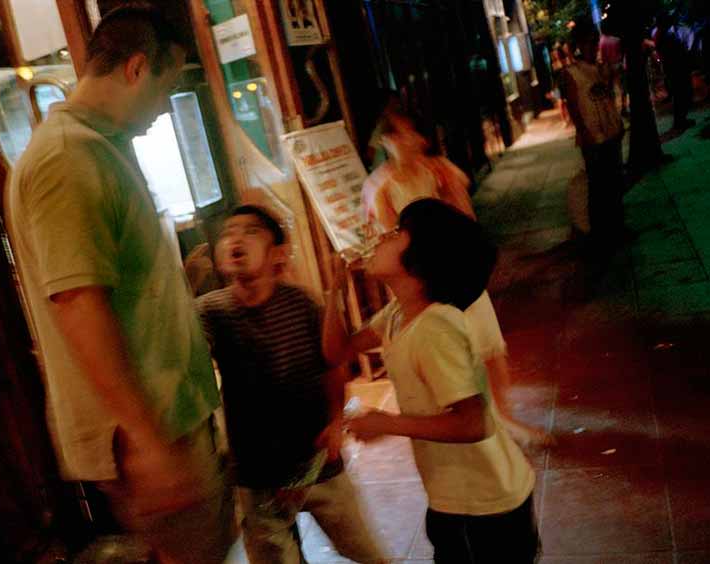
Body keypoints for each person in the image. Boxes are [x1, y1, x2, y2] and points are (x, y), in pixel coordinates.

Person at [4, 7, 233, 563]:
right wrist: (148, 441)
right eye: (167, 85)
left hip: (168, 420)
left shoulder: (100, 146)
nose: (164, 105)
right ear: (135, 69)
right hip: (148, 434)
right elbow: (80, 305)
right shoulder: (67, 158)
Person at [324, 199, 540, 564]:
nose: (380, 237)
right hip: (454, 496)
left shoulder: (436, 327)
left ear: (421, 260)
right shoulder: (398, 314)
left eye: (396, 233)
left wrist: (388, 423)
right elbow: (338, 350)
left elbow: (473, 422)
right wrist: (333, 289)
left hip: (488, 502)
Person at [196, 205, 384, 564]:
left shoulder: (303, 303)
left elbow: (332, 366)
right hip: (257, 472)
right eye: (227, 233)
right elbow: (187, 357)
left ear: (277, 254)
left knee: (365, 550)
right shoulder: (209, 311)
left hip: (317, 460)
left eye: (251, 231)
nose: (235, 238)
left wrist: (334, 423)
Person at [362, 109, 549, 447]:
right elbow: (392, 244)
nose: (409, 142)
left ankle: (505, 418)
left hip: (455, 272)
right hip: (425, 285)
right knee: (452, 354)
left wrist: (449, 192)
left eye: (411, 133)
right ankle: (471, 421)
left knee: (490, 347)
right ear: (388, 142)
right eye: (399, 135)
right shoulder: (382, 189)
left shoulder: (441, 171)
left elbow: (467, 222)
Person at [562, 18, 627, 251]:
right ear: (579, 43)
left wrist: (618, 123)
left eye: (594, 41)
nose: (593, 47)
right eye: (588, 42)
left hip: (610, 132)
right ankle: (601, 234)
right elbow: (573, 107)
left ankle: (616, 228)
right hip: (593, 138)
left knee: (614, 182)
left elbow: (610, 97)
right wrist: (584, 132)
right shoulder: (571, 73)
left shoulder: (601, 69)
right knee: (599, 187)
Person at [654, 11, 695, 131]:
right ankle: (680, 122)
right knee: (682, 96)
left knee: (680, 96)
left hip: (674, 70)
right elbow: (675, 54)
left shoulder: (663, 34)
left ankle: (681, 120)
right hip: (677, 70)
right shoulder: (666, 36)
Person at [599, 22, 629, 117]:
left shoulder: (601, 42)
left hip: (609, 67)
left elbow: (603, 58)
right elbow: (622, 53)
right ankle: (623, 107)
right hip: (619, 65)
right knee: (622, 88)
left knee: (612, 90)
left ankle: (615, 109)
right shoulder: (616, 40)